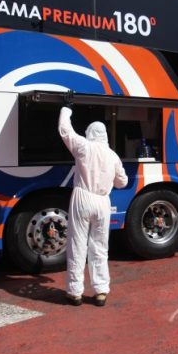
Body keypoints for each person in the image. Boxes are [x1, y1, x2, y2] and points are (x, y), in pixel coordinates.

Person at [58, 93, 128, 307]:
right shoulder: (113, 155)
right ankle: (100, 291)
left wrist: (67, 107)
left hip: (82, 197)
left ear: (89, 133)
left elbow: (65, 130)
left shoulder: (83, 147)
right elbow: (122, 182)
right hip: (103, 201)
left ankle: (75, 292)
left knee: (77, 244)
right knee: (100, 246)